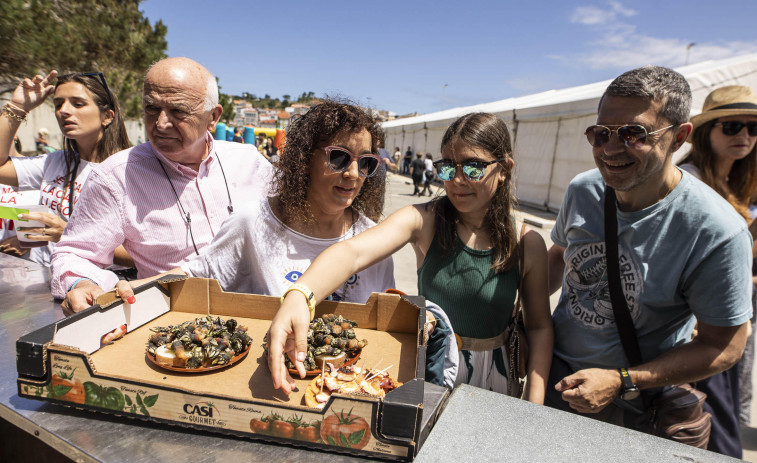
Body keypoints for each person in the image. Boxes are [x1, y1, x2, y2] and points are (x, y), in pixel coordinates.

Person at [112, 101, 458, 388]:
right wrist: (133, 294)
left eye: (365, 163)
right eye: (339, 158)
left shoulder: (370, 241)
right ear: (304, 158)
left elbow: (378, 323)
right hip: (261, 386)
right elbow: (192, 277)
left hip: (338, 394)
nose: (353, 173)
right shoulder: (252, 223)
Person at [269, 112, 553, 401]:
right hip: (434, 369)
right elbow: (353, 252)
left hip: (497, 378)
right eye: (447, 167)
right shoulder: (424, 220)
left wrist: (533, 407)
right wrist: (301, 294)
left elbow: (540, 326)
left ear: (504, 168)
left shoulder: (527, 243)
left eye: (473, 167)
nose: (456, 180)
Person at [545, 66, 751, 457]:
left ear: (679, 137)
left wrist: (622, 380)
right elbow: (559, 257)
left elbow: (724, 347)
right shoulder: (583, 190)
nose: (610, 148)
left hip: (636, 408)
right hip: (558, 383)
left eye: (634, 134)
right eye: (601, 134)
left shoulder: (715, 231)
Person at [50, 57, 273, 313]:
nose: (161, 123)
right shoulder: (115, 176)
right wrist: (82, 283)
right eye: (151, 108)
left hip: (264, 316)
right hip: (175, 329)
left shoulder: (249, 161)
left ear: (213, 117)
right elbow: (72, 253)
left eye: (178, 111)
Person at [677, 85, 757, 456]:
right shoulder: (688, 180)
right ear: (706, 133)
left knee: (731, 408)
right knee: (705, 422)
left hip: (738, 310)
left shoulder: (740, 182)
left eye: (753, 129)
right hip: (701, 321)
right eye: (731, 126)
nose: (744, 136)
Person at [0, 70, 132, 267]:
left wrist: (68, 235)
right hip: (43, 280)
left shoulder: (131, 171)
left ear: (107, 116)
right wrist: (18, 106)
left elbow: (143, 256)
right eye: (58, 104)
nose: (64, 111)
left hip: (95, 289)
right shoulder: (54, 162)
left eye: (78, 104)